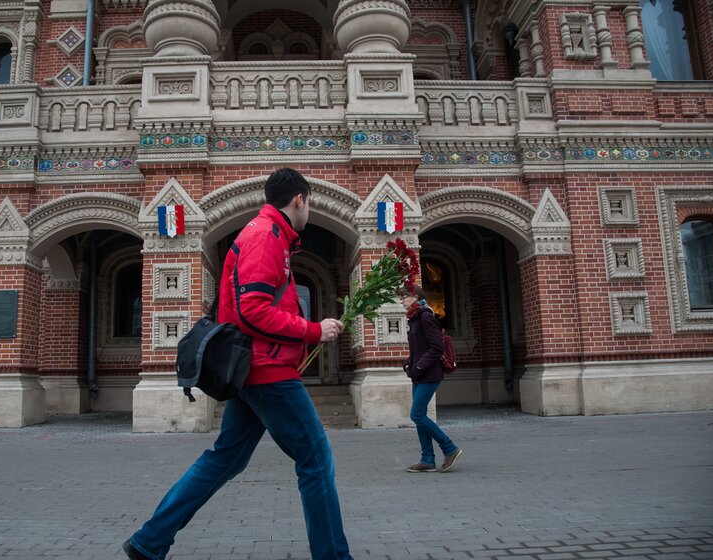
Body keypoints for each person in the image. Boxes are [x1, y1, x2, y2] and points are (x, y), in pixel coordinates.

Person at [123, 168, 353, 560]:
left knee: (225, 458)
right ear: (299, 199)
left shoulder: (269, 235)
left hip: (253, 369)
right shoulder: (266, 236)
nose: (309, 211)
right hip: (268, 371)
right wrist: (313, 330)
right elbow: (253, 310)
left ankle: (150, 541)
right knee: (315, 459)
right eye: (309, 203)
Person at [401, 287, 463, 474]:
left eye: (404, 296)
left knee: (417, 415)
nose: (401, 299)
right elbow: (419, 348)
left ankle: (450, 448)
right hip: (418, 374)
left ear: (416, 297)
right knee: (420, 416)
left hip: (429, 373)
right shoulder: (414, 317)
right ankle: (427, 459)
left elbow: (436, 348)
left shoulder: (426, 316)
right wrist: (409, 363)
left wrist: (419, 366)